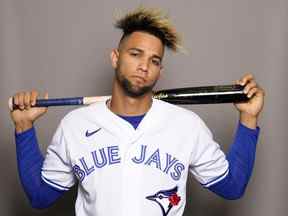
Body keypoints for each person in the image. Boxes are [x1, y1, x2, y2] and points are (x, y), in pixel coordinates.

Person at [10, 7, 265, 216]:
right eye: (135, 54)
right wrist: (24, 128)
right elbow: (40, 196)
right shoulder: (75, 125)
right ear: (115, 58)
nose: (144, 66)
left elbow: (232, 187)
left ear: (159, 71)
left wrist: (249, 118)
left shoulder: (187, 125)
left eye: (154, 60)